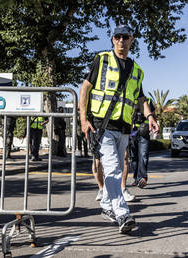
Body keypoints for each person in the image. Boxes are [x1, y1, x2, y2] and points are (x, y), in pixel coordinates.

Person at [79, 25, 159, 234]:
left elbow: (140, 98)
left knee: (117, 167)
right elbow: (85, 89)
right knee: (113, 168)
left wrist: (150, 117)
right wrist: (82, 119)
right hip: (102, 126)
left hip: (124, 128)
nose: (121, 40)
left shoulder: (136, 69)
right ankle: (122, 213)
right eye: (118, 37)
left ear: (132, 40)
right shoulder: (102, 60)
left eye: (126, 37)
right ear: (113, 39)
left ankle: (106, 206)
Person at [129, 98, 155, 188]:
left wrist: (150, 126)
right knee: (133, 158)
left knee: (143, 155)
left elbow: (152, 115)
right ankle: (136, 179)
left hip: (143, 133)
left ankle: (142, 178)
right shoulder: (129, 98)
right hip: (131, 133)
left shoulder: (148, 100)